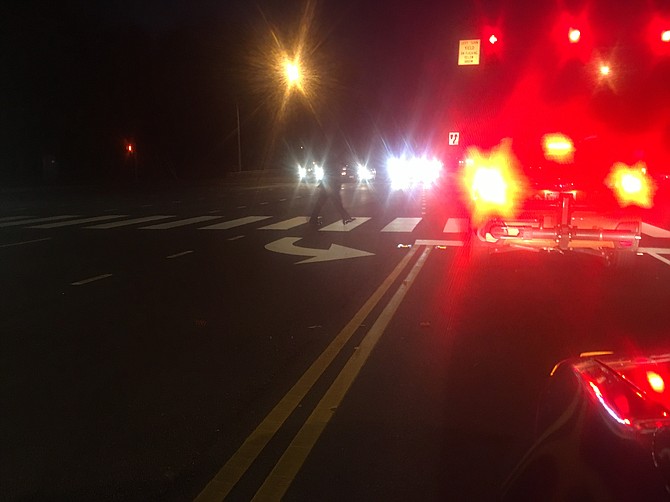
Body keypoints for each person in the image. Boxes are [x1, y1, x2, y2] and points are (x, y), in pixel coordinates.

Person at [309, 160, 355, 226]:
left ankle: (313, 219)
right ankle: (346, 218)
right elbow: (333, 176)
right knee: (337, 203)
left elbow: (329, 175)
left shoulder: (331, 163)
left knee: (320, 204)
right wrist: (337, 185)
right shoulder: (334, 165)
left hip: (327, 186)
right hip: (331, 186)